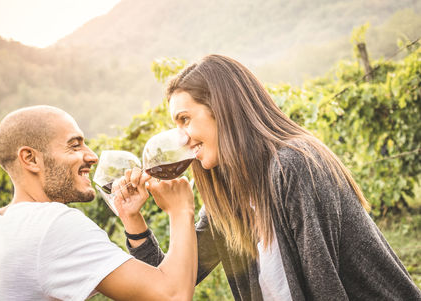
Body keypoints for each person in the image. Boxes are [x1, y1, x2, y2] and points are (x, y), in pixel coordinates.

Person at [114, 55, 421, 300]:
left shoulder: (292, 165)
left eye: (185, 120)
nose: (180, 139)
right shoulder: (229, 196)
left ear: (223, 109)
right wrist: (134, 220)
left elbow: (324, 289)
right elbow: (171, 283)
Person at [0, 105, 197, 301]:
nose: (91, 156)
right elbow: (172, 295)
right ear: (30, 159)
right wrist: (181, 210)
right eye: (74, 145)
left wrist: (131, 218)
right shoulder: (52, 225)